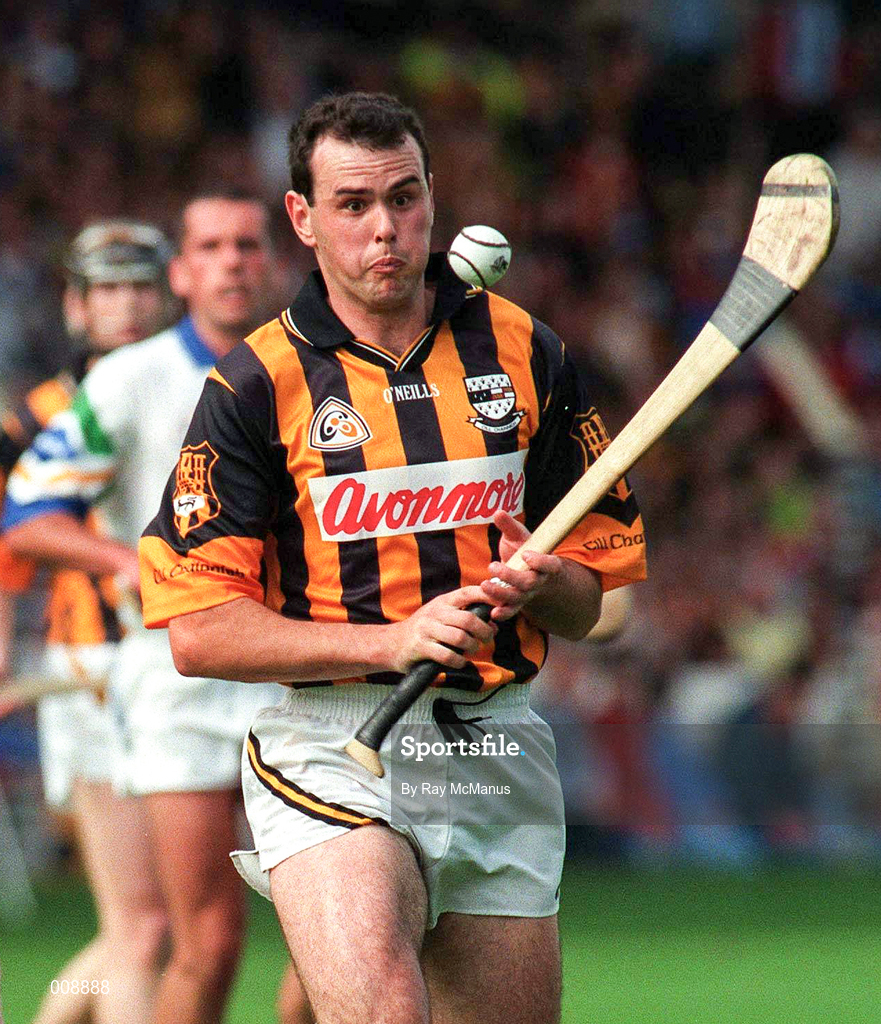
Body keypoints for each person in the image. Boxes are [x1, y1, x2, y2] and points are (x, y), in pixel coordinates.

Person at [139, 93, 647, 1024]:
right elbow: (199, 632)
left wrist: (548, 582)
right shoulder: (256, 382)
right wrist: (391, 641)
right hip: (334, 743)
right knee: (382, 1009)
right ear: (303, 218)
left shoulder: (526, 349)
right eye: (354, 204)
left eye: (405, 198)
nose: (387, 229)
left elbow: (599, 609)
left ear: (431, 198)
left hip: (497, 745)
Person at [3, 192, 311, 1024]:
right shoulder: (101, 389)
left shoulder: (314, 365)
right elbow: (21, 523)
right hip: (136, 671)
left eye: (248, 245)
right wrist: (136, 564)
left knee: (327, 927)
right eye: (211, 247)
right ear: (187, 271)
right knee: (164, 937)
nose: (234, 262)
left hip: (293, 669)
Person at [0, 218, 173, 1024]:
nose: (126, 305)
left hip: (183, 671)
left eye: (140, 285)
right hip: (91, 677)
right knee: (145, 930)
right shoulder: (35, 418)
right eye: (107, 288)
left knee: (149, 933)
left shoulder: (201, 394)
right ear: (75, 305)